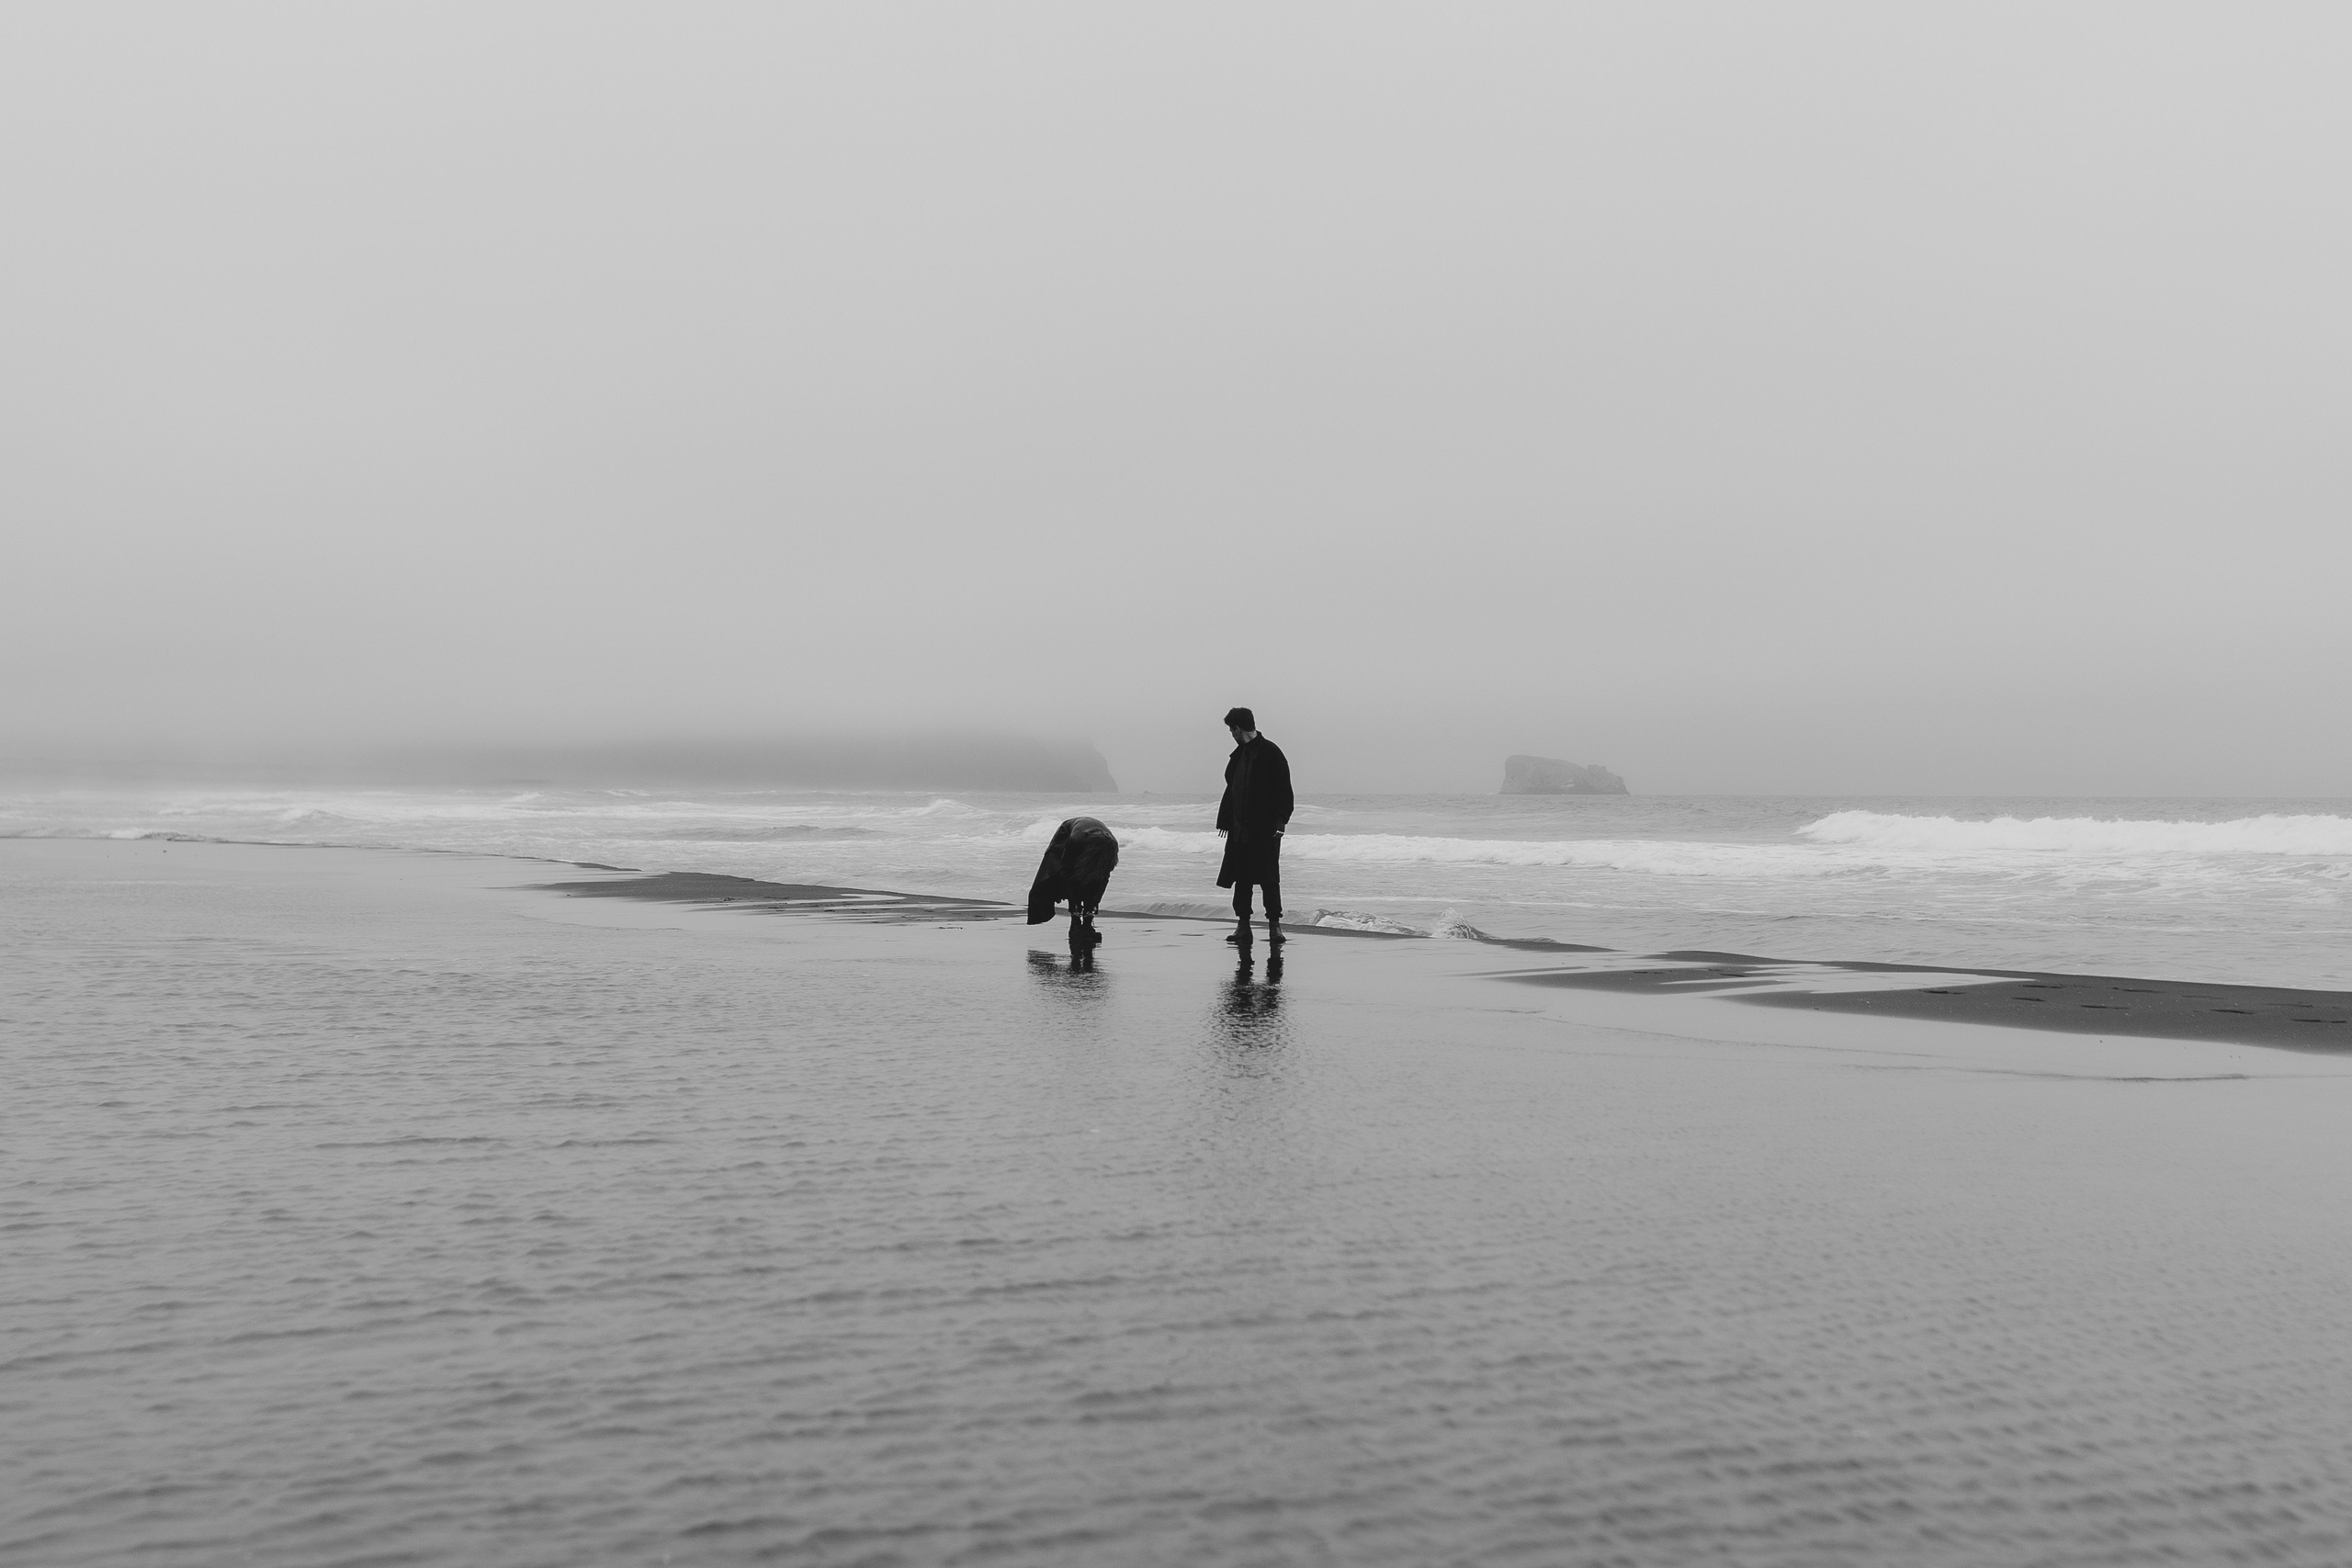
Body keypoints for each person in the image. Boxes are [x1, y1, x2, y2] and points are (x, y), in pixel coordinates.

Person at [1215, 706, 1292, 945]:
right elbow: (1232, 789)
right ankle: (1243, 927)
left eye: (1231, 730)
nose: (1231, 734)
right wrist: (1227, 820)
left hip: (1265, 829)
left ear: (1238, 729)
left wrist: (1281, 821)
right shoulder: (1238, 755)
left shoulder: (1271, 753)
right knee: (1242, 878)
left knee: (1269, 878)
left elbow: (1284, 790)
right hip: (1239, 827)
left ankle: (1274, 927)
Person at [1027, 816, 1119, 950]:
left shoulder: (1111, 846)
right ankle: (1074, 921)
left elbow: (1104, 877)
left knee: (1095, 877)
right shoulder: (1076, 841)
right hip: (1066, 832)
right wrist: (1074, 905)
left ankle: (1087, 922)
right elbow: (1066, 870)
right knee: (1058, 871)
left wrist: (1093, 905)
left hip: (1092, 837)